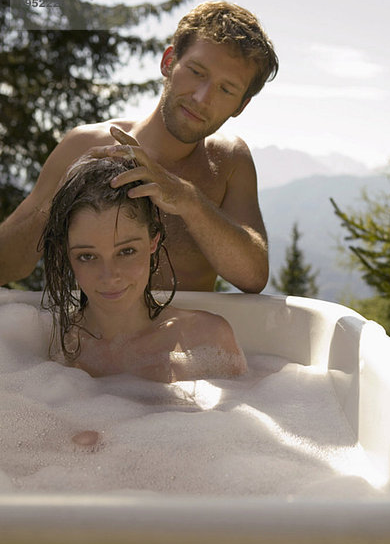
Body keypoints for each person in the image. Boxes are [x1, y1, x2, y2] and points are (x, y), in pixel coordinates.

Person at [0, 0, 278, 292]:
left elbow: (253, 277)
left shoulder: (230, 161)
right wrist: (59, 199)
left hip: (189, 336)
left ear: (241, 106)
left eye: (226, 89)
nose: (201, 97)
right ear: (169, 62)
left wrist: (187, 198)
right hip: (91, 335)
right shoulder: (84, 145)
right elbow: (6, 266)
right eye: (196, 71)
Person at [41, 155, 247, 383]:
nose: (109, 276)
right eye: (87, 256)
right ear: (66, 253)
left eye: (126, 251)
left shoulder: (208, 339)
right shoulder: (50, 346)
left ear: (153, 241)